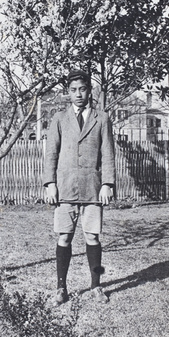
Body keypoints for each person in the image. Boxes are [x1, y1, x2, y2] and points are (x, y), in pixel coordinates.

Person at [43, 69, 115, 305]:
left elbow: (108, 155)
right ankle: (60, 288)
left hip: (93, 189)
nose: (78, 94)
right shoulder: (59, 119)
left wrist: (107, 184)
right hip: (65, 189)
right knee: (64, 236)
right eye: (73, 90)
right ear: (68, 93)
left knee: (92, 236)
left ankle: (96, 286)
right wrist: (50, 183)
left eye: (82, 89)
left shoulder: (101, 118)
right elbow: (51, 154)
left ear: (89, 90)